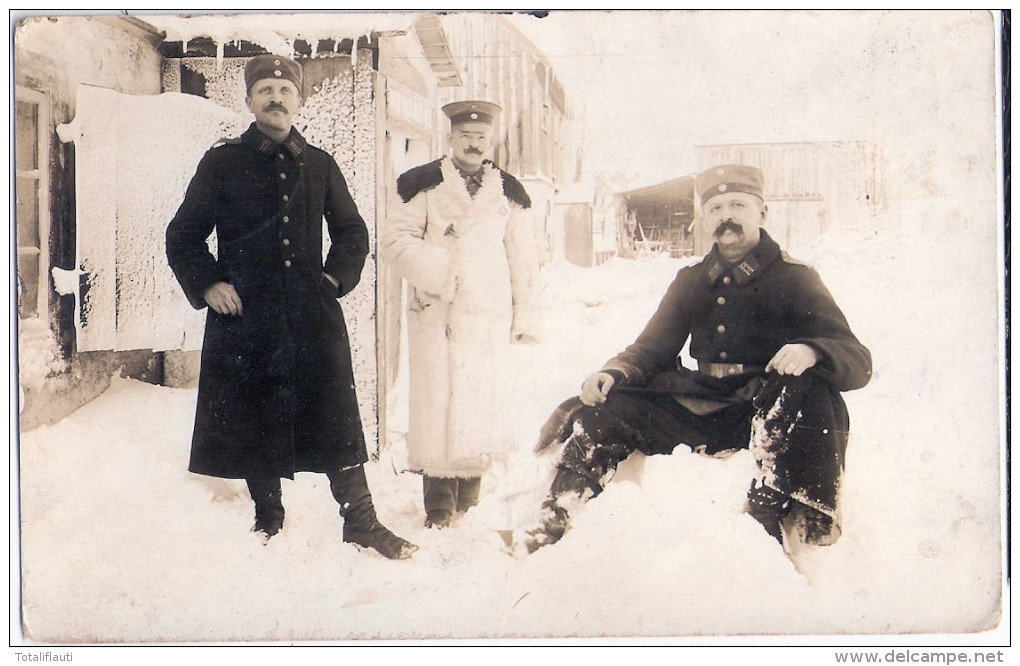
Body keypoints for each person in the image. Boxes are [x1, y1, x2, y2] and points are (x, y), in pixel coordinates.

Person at [512, 164, 872, 559]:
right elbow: (652, 348)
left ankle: (773, 515)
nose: (726, 216)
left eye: (738, 204)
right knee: (605, 407)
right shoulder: (691, 279)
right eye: (716, 208)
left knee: (812, 386)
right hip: (702, 406)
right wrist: (612, 372)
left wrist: (813, 350)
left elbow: (855, 357)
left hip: (765, 413)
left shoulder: (796, 277)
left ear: (762, 213)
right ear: (705, 217)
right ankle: (554, 516)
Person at [166, 54, 416, 560]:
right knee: (257, 409)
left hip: (310, 315)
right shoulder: (222, 162)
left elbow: (352, 233)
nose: (275, 98)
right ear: (249, 101)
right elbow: (183, 235)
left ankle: (361, 521)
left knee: (334, 416)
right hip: (245, 316)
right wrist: (210, 283)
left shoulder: (320, 164)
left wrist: (331, 279)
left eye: (285, 90)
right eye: (265, 91)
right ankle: (268, 513)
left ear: (299, 102)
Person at [381, 100, 542, 528]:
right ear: (450, 138)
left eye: (482, 139)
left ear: (491, 143)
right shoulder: (424, 185)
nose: (474, 145)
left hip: (486, 311)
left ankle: (470, 496)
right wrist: (440, 273)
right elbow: (396, 241)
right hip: (437, 310)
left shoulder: (508, 192)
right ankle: (437, 502)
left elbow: (525, 257)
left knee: (478, 401)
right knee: (436, 402)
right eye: (466, 137)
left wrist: (524, 315)